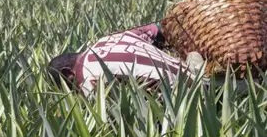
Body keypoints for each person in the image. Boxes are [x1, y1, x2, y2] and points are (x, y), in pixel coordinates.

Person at [47, 22, 205, 96]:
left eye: (68, 86)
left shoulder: (87, 79)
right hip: (195, 70)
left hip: (190, 94)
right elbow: (154, 29)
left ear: (68, 74)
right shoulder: (105, 40)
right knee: (194, 56)